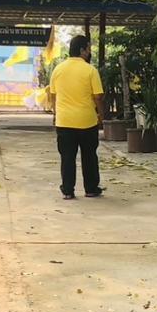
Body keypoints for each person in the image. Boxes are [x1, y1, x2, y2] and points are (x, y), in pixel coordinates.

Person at [49, 34, 104, 200]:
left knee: (67, 157)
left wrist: (55, 114)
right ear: (82, 50)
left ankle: (68, 190)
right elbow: (98, 97)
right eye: (88, 47)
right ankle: (91, 188)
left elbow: (53, 95)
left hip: (64, 121)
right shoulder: (90, 70)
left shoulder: (58, 69)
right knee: (89, 156)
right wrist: (100, 114)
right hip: (87, 121)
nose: (89, 51)